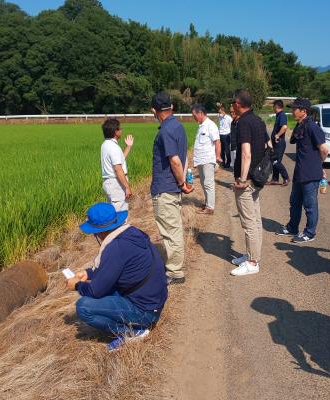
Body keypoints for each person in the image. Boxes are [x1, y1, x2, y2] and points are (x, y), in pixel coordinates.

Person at [68, 203, 168, 352]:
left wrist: (76, 285)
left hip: (146, 311)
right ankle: (136, 323)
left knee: (83, 307)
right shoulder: (132, 233)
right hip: (155, 301)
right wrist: (88, 273)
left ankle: (134, 331)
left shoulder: (115, 248)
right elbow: (116, 268)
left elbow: (95, 291)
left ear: (99, 232)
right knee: (106, 288)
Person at [150, 92, 193, 285]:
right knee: (173, 228)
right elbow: (182, 158)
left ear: (154, 110)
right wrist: (182, 183)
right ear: (172, 107)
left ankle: (174, 271)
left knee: (170, 231)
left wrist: (182, 183)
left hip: (165, 188)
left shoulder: (165, 131)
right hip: (172, 187)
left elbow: (175, 160)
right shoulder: (178, 127)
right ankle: (175, 267)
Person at [275, 98, 329, 243]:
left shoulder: (312, 126)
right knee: (295, 201)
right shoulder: (300, 125)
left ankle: (310, 233)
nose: (292, 111)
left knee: (310, 205)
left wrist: (319, 164)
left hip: (310, 172)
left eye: (295, 109)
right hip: (300, 171)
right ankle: (292, 227)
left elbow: (324, 149)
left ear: (303, 111)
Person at [229, 89, 268, 276]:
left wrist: (242, 180)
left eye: (232, 103)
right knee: (256, 218)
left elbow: (246, 153)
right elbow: (269, 146)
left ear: (238, 104)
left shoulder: (244, 123)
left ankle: (252, 262)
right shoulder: (258, 121)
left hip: (248, 179)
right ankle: (252, 255)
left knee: (248, 222)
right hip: (258, 177)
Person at [189, 104, 222, 215]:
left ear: (200, 113)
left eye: (194, 115)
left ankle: (210, 207)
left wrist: (217, 157)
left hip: (208, 159)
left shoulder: (210, 125)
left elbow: (217, 142)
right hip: (201, 160)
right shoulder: (201, 126)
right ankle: (207, 203)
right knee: (203, 183)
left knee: (208, 183)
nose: (193, 117)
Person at [100, 118, 134, 212]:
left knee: (113, 214)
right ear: (116, 131)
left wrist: (128, 146)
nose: (122, 130)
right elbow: (118, 169)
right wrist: (127, 187)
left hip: (110, 184)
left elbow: (120, 160)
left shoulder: (106, 144)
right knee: (120, 216)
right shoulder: (113, 147)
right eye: (120, 128)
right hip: (116, 185)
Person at [268, 99, 290, 186]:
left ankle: (286, 177)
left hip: (279, 143)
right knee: (274, 160)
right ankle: (275, 179)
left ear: (276, 107)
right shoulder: (278, 115)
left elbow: (284, 127)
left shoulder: (282, 115)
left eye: (273, 106)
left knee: (276, 161)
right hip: (276, 143)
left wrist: (277, 135)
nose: (273, 108)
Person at [217, 103, 233, 168]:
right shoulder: (219, 117)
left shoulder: (229, 118)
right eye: (219, 112)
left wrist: (230, 135)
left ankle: (228, 162)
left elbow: (231, 126)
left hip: (226, 135)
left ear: (223, 112)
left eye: (220, 112)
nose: (219, 113)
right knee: (221, 150)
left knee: (227, 150)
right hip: (220, 135)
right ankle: (223, 162)